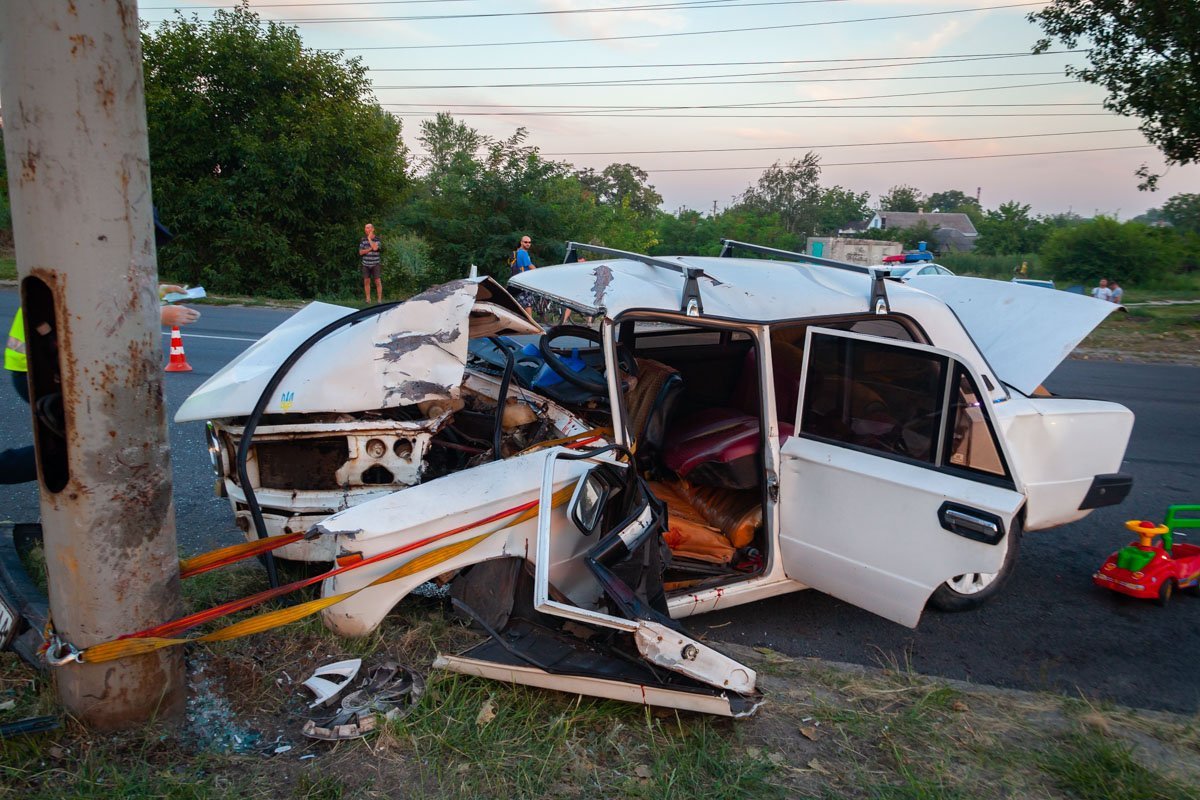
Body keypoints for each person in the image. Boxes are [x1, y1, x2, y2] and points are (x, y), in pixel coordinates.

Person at [511, 234, 536, 317]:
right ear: (521, 242)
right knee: (528, 302)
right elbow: (529, 265)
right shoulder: (523, 253)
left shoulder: (518, 252)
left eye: (529, 242)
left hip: (519, 279)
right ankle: (531, 322)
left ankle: (524, 320)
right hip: (524, 280)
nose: (528, 244)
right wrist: (539, 272)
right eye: (525, 242)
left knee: (521, 301)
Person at [359, 223, 383, 303]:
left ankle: (379, 299)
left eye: (368, 228)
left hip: (375, 263)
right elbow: (361, 252)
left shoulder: (377, 239)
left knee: (377, 281)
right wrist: (370, 249)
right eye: (365, 228)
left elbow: (376, 248)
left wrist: (369, 238)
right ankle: (368, 299)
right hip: (366, 264)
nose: (366, 229)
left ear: (372, 229)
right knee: (366, 281)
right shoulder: (363, 239)